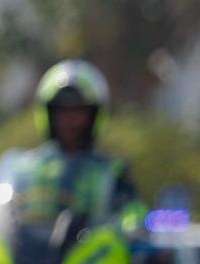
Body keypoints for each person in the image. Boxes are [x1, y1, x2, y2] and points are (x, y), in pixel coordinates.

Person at [17, 60, 146, 234]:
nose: (69, 120)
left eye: (78, 112)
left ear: (93, 115)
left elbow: (133, 211)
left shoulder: (112, 170)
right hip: (31, 256)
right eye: (61, 111)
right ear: (48, 114)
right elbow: (1, 210)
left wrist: (131, 227)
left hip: (91, 255)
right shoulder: (26, 167)